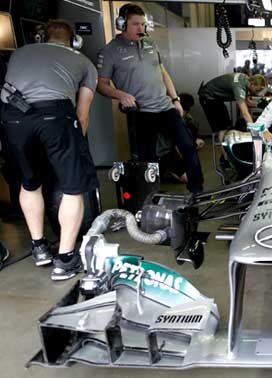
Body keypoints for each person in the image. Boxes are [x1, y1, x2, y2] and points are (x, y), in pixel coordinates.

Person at [0, 20, 98, 280]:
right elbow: (83, 112)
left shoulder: (20, 53)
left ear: (41, 38)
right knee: (73, 188)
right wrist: (75, 147)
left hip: (13, 118)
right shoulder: (85, 62)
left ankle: (39, 247)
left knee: (29, 183)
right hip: (56, 115)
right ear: (74, 40)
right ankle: (66, 259)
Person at [96, 3, 203, 193]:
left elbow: (163, 72)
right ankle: (150, 196)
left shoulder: (150, 44)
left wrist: (175, 99)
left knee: (187, 145)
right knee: (149, 159)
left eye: (143, 24)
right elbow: (101, 84)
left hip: (165, 107)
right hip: (142, 111)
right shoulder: (110, 52)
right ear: (122, 24)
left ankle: (197, 190)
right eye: (136, 24)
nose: (141, 29)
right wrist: (120, 95)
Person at [197, 72, 266, 163]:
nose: (258, 92)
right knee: (223, 127)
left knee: (227, 125)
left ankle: (226, 156)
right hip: (208, 97)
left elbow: (246, 102)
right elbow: (244, 112)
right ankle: (226, 159)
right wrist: (255, 131)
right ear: (252, 84)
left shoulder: (245, 79)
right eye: (258, 89)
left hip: (215, 98)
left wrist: (260, 105)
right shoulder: (239, 87)